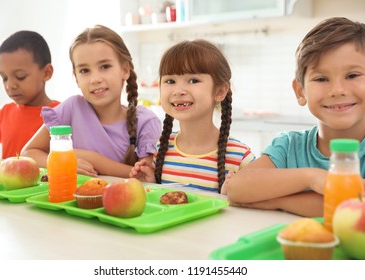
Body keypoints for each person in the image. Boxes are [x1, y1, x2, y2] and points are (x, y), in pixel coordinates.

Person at [222, 17, 365, 217]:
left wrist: (277, 200)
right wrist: (312, 178)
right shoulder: (289, 146)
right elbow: (236, 188)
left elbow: (355, 207)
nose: (337, 90)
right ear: (300, 91)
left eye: (352, 75)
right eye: (321, 79)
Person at [22, 25, 161, 178]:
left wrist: (90, 158)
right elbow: (28, 153)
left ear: (125, 70)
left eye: (105, 66)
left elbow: (144, 176)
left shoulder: (145, 122)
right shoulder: (71, 108)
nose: (95, 79)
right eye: (84, 71)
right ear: (76, 78)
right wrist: (62, 162)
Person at [129, 39, 255, 193]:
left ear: (220, 91)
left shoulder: (240, 157)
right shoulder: (161, 147)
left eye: (193, 80)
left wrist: (233, 196)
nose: (178, 90)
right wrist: (152, 183)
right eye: (170, 81)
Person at [0, 30, 59, 159]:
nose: (10, 85)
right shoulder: (5, 113)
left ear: (46, 73)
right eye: (4, 78)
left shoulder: (62, 113)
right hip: (7, 179)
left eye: (20, 77)